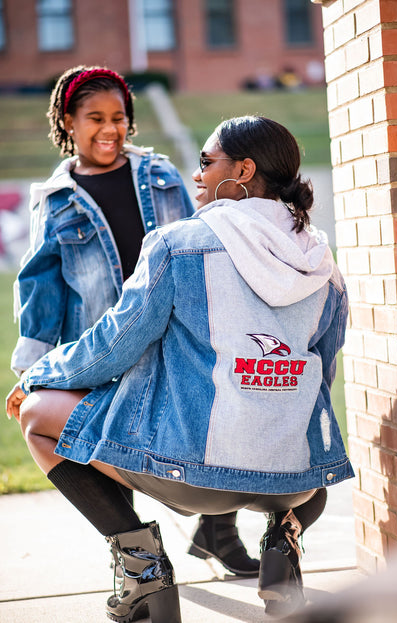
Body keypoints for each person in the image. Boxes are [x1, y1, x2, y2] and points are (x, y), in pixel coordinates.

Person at [7, 115, 354, 622]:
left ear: (244, 170)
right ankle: (285, 545)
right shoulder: (323, 261)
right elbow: (322, 377)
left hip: (194, 477)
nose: (196, 174)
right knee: (300, 443)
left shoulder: (180, 244)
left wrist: (41, 374)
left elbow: (112, 348)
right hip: (295, 486)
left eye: (206, 162)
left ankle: (145, 575)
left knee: (37, 414)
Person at [10, 65, 258, 577]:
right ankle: (141, 563)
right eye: (94, 118)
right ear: (68, 122)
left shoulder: (161, 173)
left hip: (177, 338)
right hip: (102, 349)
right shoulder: (55, 201)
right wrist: (31, 371)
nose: (109, 128)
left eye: (119, 117)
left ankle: (218, 530)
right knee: (112, 456)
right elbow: (42, 292)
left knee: (214, 426)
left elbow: (202, 237)